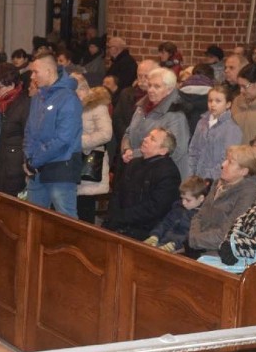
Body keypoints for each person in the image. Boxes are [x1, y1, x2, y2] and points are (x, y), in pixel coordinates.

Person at [23, 53, 84, 217]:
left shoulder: (68, 98)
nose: (32, 76)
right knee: (33, 219)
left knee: (66, 221)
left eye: (36, 72)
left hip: (60, 168)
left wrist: (34, 160)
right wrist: (28, 158)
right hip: (36, 169)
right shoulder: (38, 97)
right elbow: (30, 131)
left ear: (49, 71)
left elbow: (63, 139)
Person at [104, 128, 182, 239]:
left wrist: (123, 216)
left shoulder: (169, 172)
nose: (145, 139)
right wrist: (114, 214)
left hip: (145, 230)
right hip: (120, 222)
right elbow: (117, 192)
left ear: (163, 150)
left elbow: (156, 208)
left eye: (152, 139)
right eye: (148, 136)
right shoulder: (134, 163)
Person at [187, 145, 256, 255]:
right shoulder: (218, 184)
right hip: (197, 244)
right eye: (225, 160)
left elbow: (228, 233)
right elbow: (199, 216)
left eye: (230, 162)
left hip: (219, 252)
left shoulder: (250, 193)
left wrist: (195, 240)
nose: (223, 165)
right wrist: (194, 236)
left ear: (243, 171)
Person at [121, 67, 191, 179]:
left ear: (169, 89)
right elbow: (128, 133)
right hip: (139, 170)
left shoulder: (175, 114)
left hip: (162, 176)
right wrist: (126, 150)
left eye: (157, 86)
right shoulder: (141, 108)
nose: (150, 90)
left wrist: (135, 155)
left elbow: (177, 150)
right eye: (149, 85)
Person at [75, 77, 112, 224]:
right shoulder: (74, 106)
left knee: (85, 206)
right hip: (74, 160)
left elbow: (106, 134)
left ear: (84, 90)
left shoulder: (98, 107)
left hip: (90, 159)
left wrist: (79, 141)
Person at [0, 63, 31, 197]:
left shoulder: (25, 103)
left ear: (12, 85)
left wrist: (28, 165)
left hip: (15, 168)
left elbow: (29, 136)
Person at [187, 85, 242, 180]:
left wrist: (207, 178)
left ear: (228, 104)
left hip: (215, 180)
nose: (212, 104)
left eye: (218, 101)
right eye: (210, 100)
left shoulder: (232, 129)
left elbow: (226, 160)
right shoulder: (202, 122)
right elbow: (193, 150)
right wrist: (192, 174)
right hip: (196, 179)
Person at [143, 175, 209, 253]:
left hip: (179, 249)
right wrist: (155, 235)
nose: (183, 202)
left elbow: (190, 236)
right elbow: (165, 223)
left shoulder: (202, 216)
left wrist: (174, 244)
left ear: (201, 198)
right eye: (182, 198)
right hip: (162, 242)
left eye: (188, 200)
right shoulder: (178, 208)